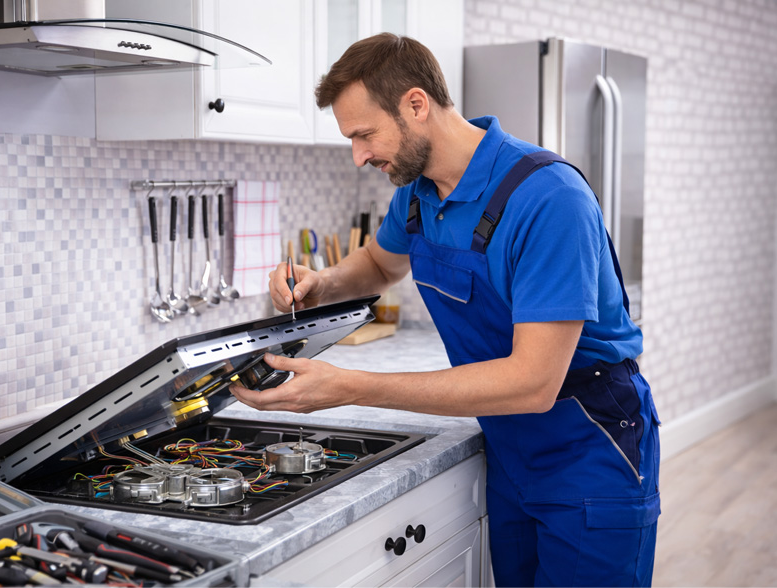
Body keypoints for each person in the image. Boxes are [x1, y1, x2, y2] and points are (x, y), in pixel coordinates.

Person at [229, 33, 660, 587]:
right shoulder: (417, 191)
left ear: (415, 104)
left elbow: (533, 383)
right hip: (509, 447)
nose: (359, 156)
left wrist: (352, 385)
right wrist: (324, 282)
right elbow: (381, 266)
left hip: (589, 448)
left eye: (364, 134)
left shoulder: (550, 200)